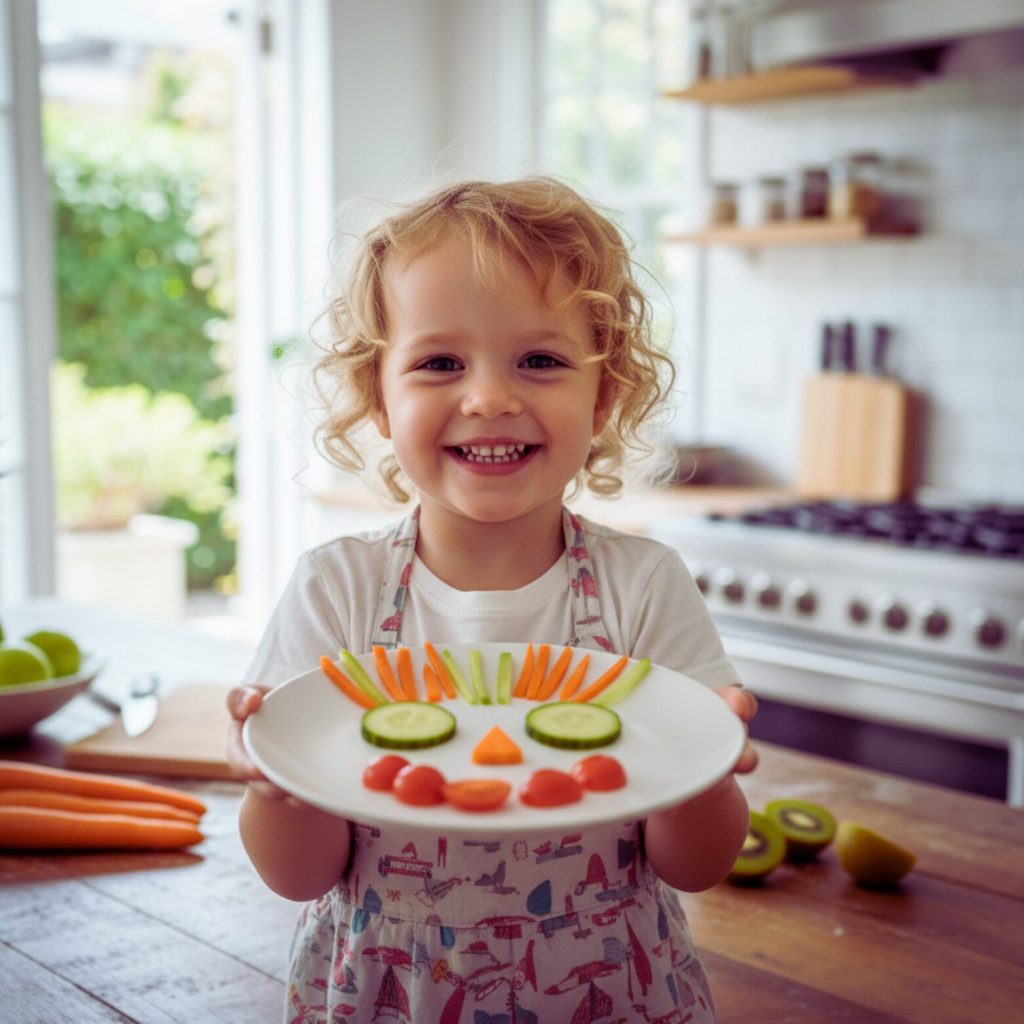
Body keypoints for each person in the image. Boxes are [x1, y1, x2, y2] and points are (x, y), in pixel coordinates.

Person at [226, 177, 758, 1023]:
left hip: (612, 991)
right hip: (388, 993)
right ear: (378, 395)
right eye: (439, 362)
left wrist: (705, 773)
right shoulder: (338, 589)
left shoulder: (643, 586)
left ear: (605, 392)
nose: (489, 398)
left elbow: (696, 867)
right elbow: (296, 876)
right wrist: (277, 786)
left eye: (540, 360)